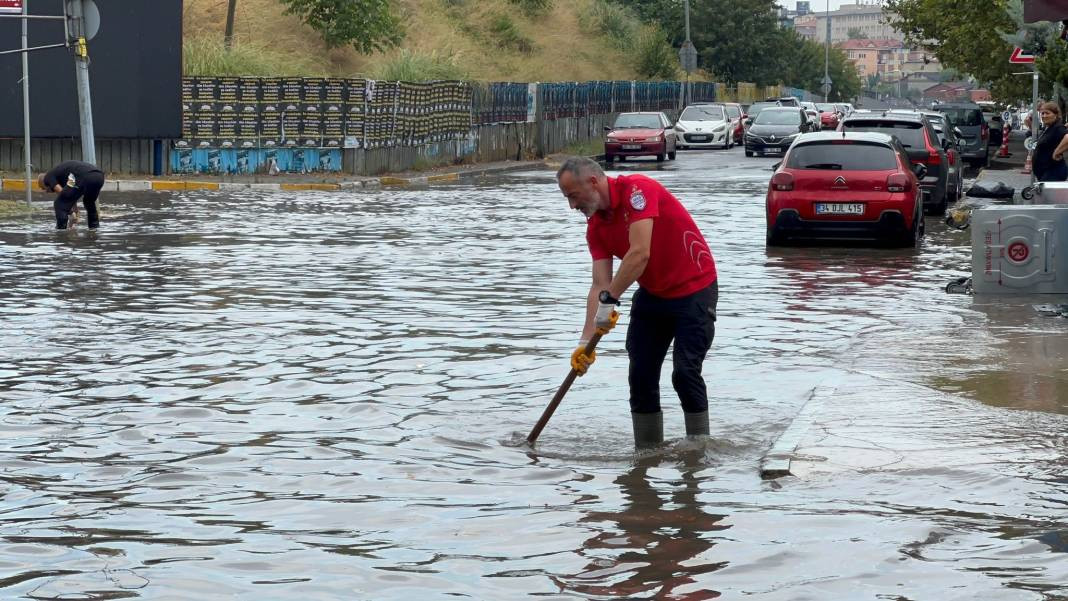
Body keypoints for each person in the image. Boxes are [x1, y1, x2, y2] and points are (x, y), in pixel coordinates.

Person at [556, 157, 719, 448]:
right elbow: (599, 284)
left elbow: (639, 254)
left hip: (694, 289)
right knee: (641, 374)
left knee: (684, 373)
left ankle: (699, 451)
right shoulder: (596, 228)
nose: (572, 206)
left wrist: (611, 299)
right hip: (654, 295)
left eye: (573, 196)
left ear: (593, 182)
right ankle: (646, 455)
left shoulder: (637, 191)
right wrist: (584, 342)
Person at [38, 160, 105, 230]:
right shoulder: (62, 176)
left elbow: (62, 193)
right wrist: (75, 211)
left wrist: (71, 213)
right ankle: (94, 228)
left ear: (44, 183)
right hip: (99, 176)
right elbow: (70, 195)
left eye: (43, 188)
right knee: (89, 202)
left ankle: (61, 232)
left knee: (59, 204)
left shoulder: (47, 177)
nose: (46, 191)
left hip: (83, 176)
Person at [1035, 102, 1068, 182]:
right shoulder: (1048, 128)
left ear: (1055, 115)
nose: (1044, 116)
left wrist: (1056, 152)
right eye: (1042, 113)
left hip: (1053, 172)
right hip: (1045, 172)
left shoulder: (1057, 128)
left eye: (1047, 113)